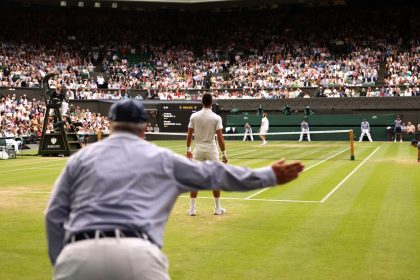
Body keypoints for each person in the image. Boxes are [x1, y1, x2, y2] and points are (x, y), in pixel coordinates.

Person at [45, 99, 304, 280]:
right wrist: (267, 176)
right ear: (145, 128)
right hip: (138, 255)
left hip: (77, 256)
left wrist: (65, 260)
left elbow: (54, 215)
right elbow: (215, 174)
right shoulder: (161, 159)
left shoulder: (80, 159)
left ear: (111, 124)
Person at [186, 93, 227, 216]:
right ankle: (217, 208)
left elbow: (189, 135)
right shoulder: (216, 117)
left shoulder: (194, 116)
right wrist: (224, 153)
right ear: (212, 103)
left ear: (202, 102)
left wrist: (188, 150)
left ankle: (192, 209)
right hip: (211, 150)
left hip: (197, 150)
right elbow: (220, 137)